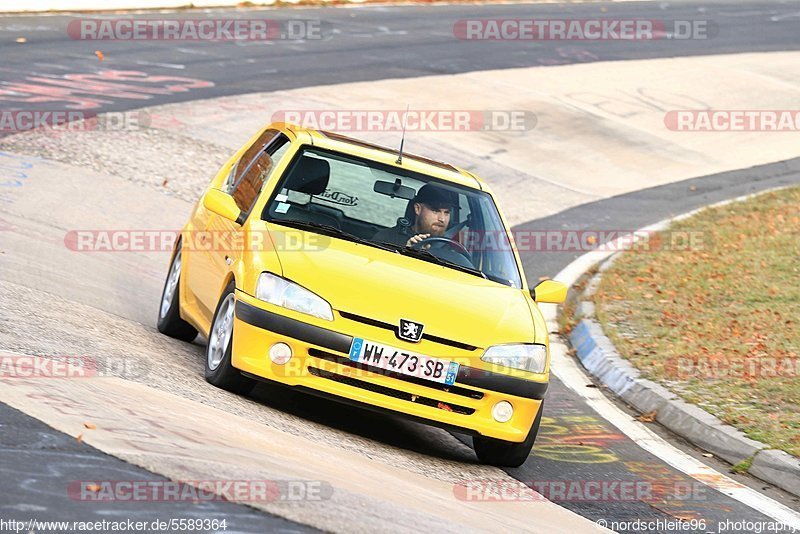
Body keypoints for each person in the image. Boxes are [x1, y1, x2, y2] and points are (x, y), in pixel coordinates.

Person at [372, 183, 458, 248]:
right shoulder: (387, 239)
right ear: (418, 209)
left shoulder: (453, 248)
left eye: (447, 212)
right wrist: (406, 252)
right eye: (435, 211)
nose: (442, 219)